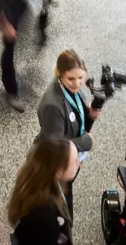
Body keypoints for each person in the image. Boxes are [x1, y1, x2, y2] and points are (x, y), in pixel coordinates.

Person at [35, 51, 98, 196]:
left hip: (70, 158)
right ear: (60, 75)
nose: (77, 84)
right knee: (58, 197)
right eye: (71, 79)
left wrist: (90, 116)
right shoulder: (51, 106)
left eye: (80, 77)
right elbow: (56, 147)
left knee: (66, 191)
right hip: (54, 165)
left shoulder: (71, 88)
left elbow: (77, 116)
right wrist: (86, 142)